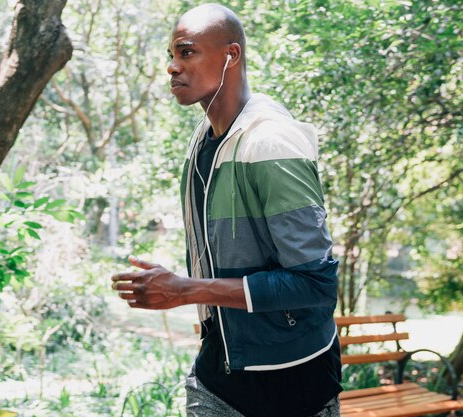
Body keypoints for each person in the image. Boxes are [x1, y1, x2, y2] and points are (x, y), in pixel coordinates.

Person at [111, 4, 342, 416]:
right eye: (172, 55)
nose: (172, 67)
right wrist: (179, 285)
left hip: (293, 383)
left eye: (186, 52)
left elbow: (316, 285)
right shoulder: (204, 143)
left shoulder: (272, 143)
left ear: (230, 56)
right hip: (219, 374)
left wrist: (186, 289)